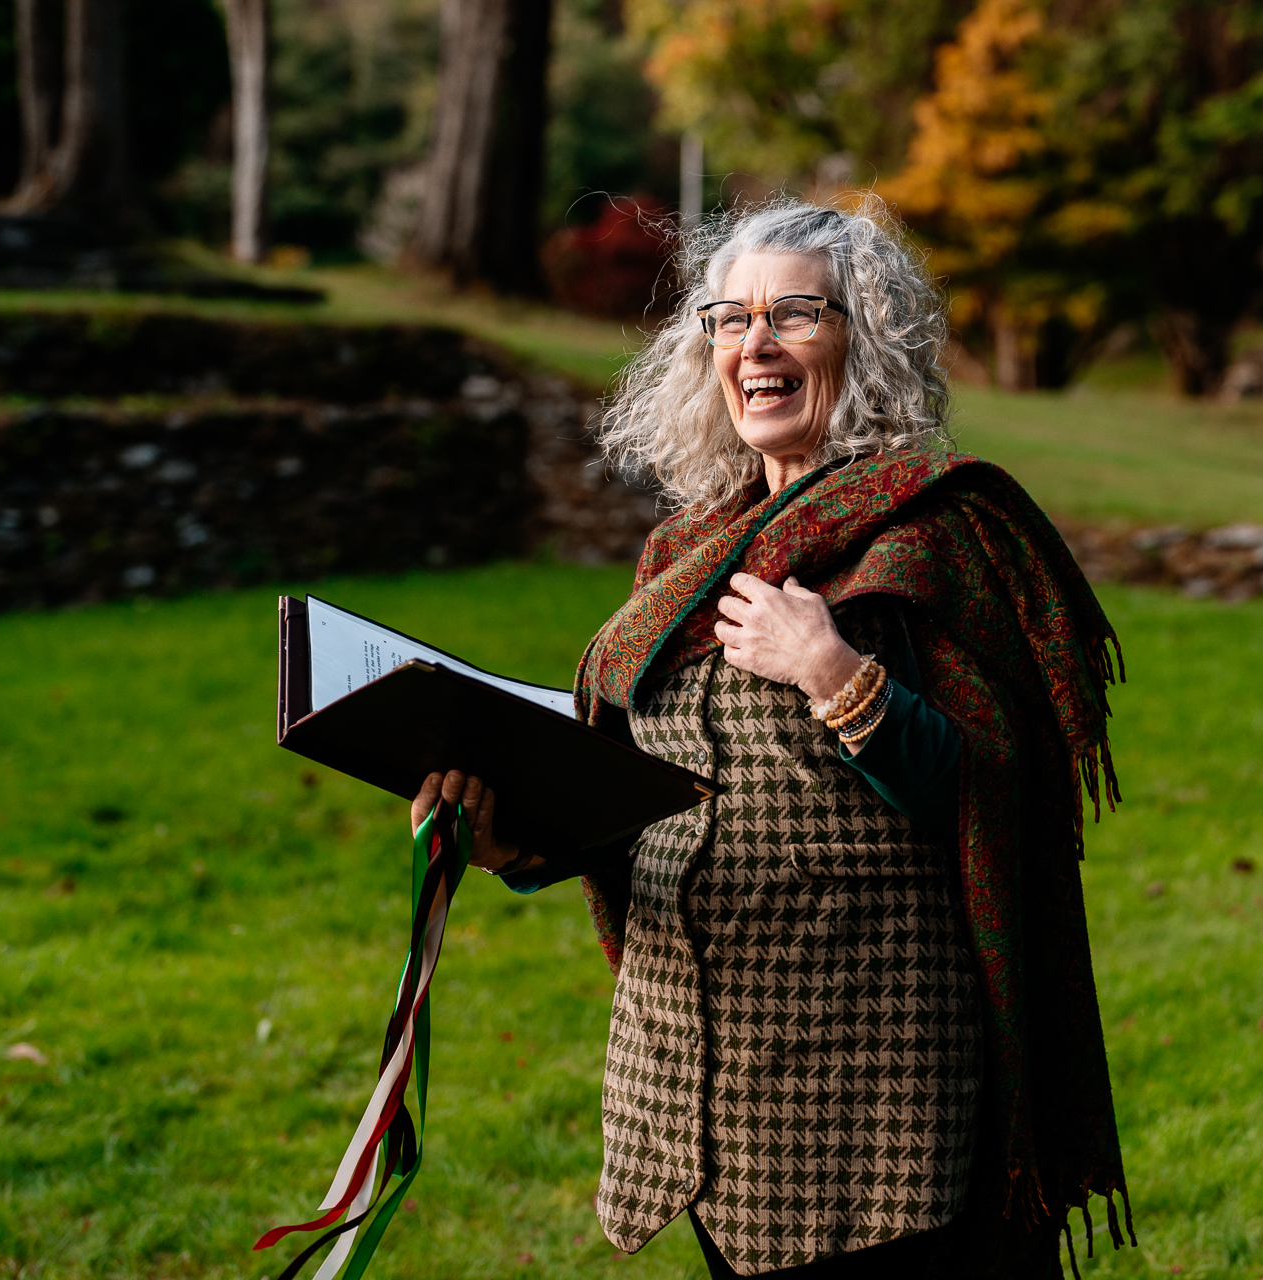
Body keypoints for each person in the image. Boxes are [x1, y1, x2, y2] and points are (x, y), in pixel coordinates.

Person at [411, 196, 1131, 1279]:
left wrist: (834, 673)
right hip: (698, 1084)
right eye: (728, 319)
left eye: (794, 314)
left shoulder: (931, 537)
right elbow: (647, 794)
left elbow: (988, 796)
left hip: (866, 1088)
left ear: (864, 336)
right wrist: (515, 838)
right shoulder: (683, 554)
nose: (755, 344)